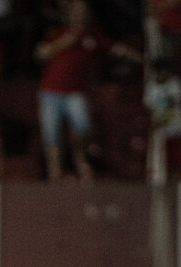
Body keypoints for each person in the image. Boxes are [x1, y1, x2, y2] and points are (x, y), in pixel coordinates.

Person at [34, 0, 141, 182]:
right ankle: (55, 175)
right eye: (75, 12)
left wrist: (141, 59)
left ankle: (81, 164)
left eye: (82, 12)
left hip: (75, 92)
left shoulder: (92, 37)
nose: (79, 16)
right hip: (50, 92)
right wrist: (63, 43)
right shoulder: (58, 33)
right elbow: (40, 54)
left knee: (82, 127)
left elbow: (118, 49)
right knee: (52, 135)